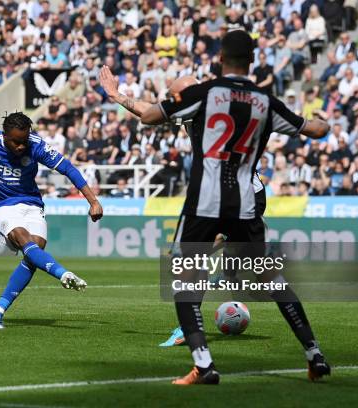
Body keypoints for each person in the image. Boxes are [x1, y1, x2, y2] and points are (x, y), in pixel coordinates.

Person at [99, 29, 331, 385]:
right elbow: (311, 129)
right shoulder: (265, 101)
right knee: (272, 277)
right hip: (245, 200)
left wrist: (119, 96)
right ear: (251, 61)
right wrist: (323, 123)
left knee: (184, 276)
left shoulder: (203, 95)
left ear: (220, 58)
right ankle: (314, 354)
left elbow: (149, 116)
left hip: (206, 199)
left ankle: (204, 364)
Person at [0, 112, 103, 330]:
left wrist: (93, 201)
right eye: (16, 142)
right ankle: (63, 274)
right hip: (3, 205)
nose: (21, 146)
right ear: (4, 135)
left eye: (24, 141)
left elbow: (67, 168)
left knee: (35, 252)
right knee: (24, 239)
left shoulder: (35, 144)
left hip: (32, 204)